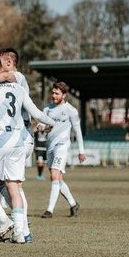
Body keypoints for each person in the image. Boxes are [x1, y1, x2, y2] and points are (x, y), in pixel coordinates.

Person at [0, 54, 55, 243]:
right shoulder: (19, 88)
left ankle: (4, 221)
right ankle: (21, 235)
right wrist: (51, 122)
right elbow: (37, 113)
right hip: (18, 144)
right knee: (12, 187)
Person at [40, 82, 86, 219]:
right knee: (57, 178)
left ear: (64, 95)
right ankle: (73, 204)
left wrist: (81, 150)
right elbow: (44, 125)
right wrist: (40, 127)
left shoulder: (71, 110)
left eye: (57, 93)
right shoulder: (47, 109)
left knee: (55, 174)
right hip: (50, 146)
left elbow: (77, 130)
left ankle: (49, 210)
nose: (54, 95)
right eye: (53, 93)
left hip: (62, 145)